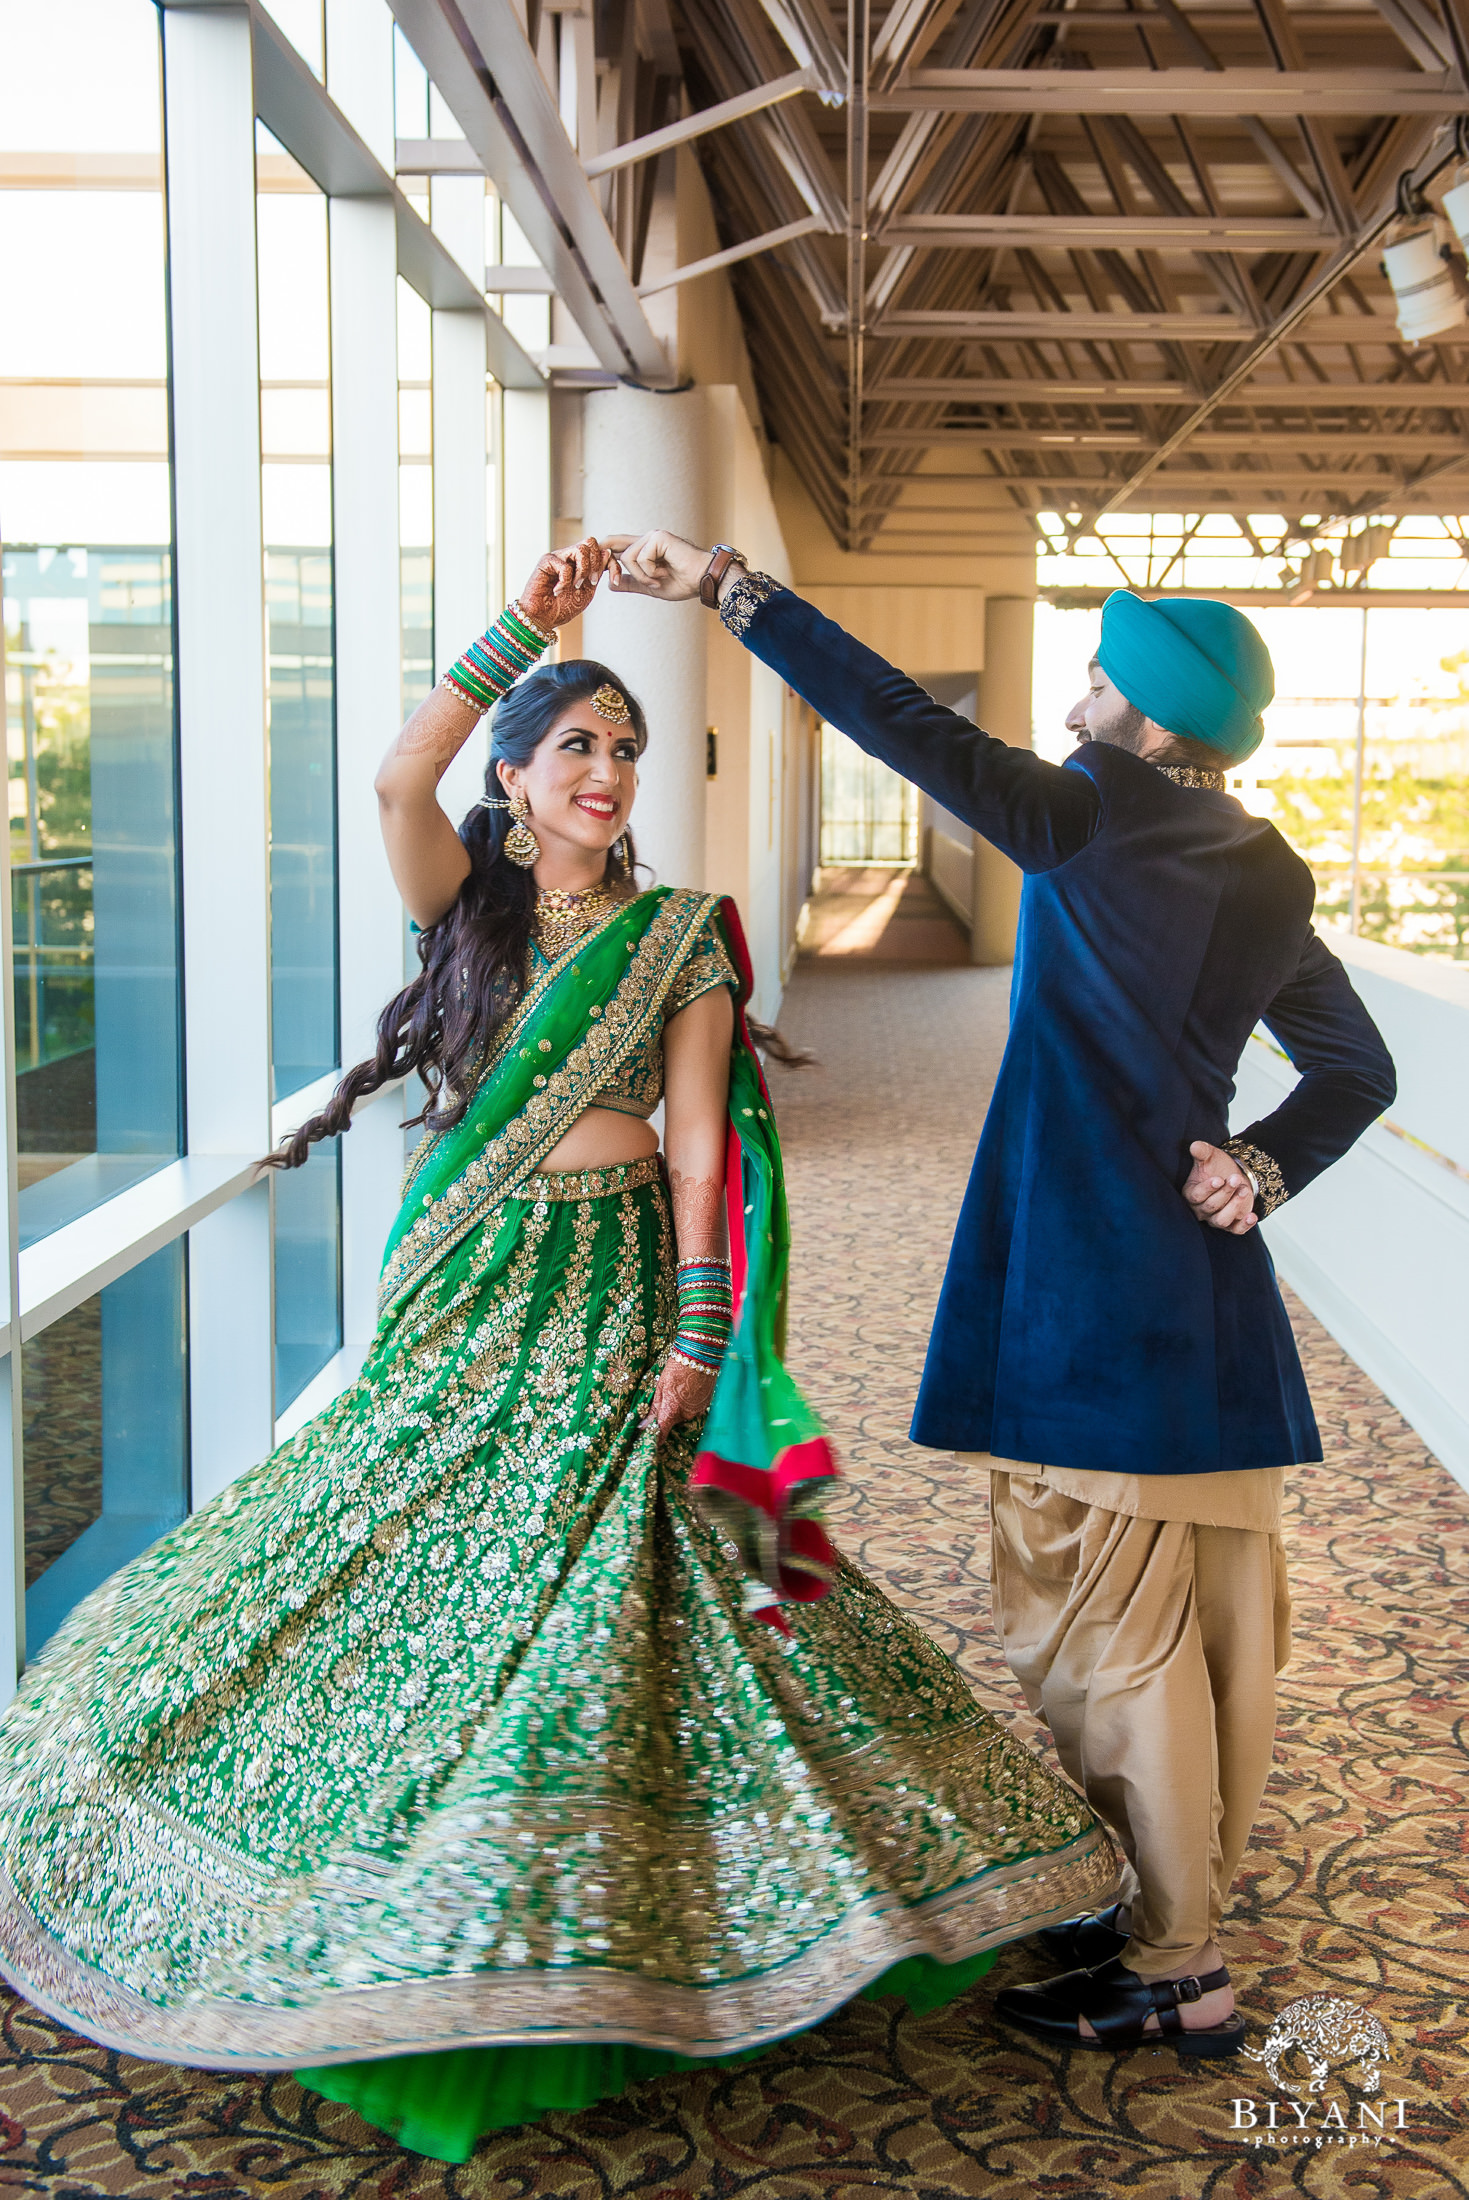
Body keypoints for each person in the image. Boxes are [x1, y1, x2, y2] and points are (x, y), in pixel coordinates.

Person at [0, 539, 1117, 2165]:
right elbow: (398, 769)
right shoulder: (462, 903)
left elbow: (693, 1154)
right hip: (468, 1278)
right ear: (516, 773)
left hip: (607, 1290)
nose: (606, 770)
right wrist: (530, 622)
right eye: (576, 743)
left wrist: (696, 1326)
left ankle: (640, 1919)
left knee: (624, 1572)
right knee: (386, 1540)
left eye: (625, 749)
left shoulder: (678, 935)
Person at [605, 533, 1397, 2060]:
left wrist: (733, 590)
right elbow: (1357, 1071)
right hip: (1201, 1296)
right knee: (1187, 1617)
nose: (1081, 690)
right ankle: (1167, 1906)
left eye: (1104, 674)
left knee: (1103, 1627)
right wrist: (1262, 1166)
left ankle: (1173, 1963)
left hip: (1091, 1289)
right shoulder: (1267, 863)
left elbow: (902, 719)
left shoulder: (1090, 811)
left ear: (1153, 721)